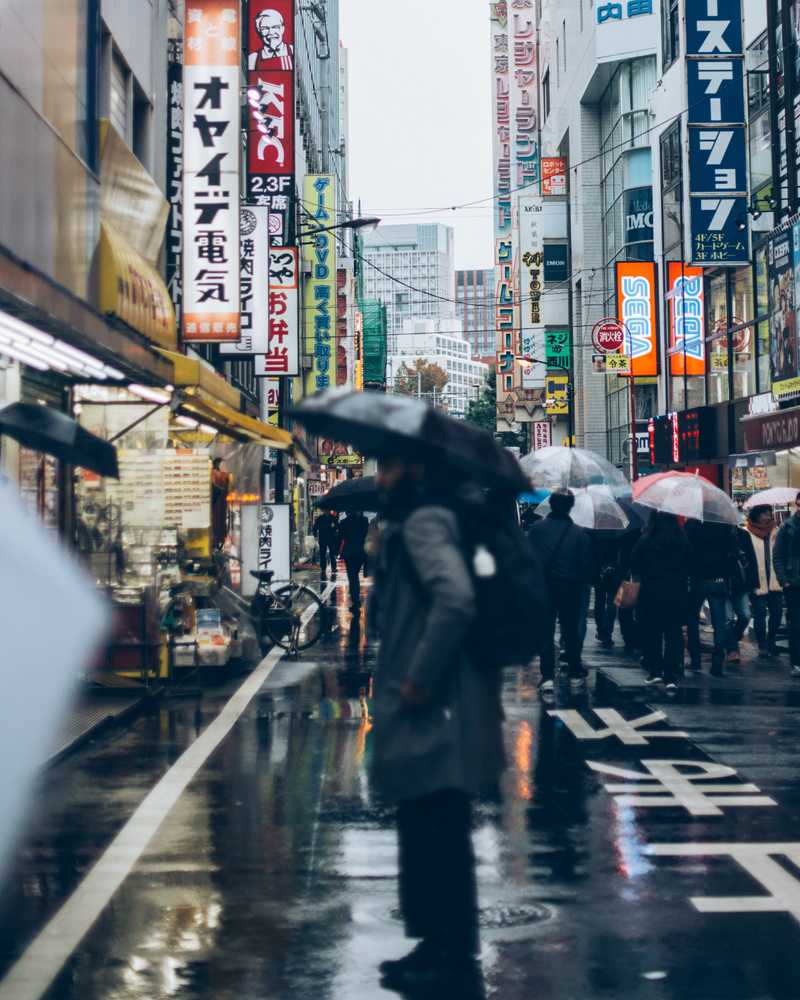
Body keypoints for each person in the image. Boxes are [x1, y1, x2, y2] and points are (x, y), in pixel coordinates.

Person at [370, 456, 501, 998]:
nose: (380, 478)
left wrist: (420, 677)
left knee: (434, 829)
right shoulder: (422, 521)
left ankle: (447, 955)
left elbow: (454, 599)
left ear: (412, 472)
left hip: (432, 705)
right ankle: (437, 947)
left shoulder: (424, 522)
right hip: (439, 703)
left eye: (387, 468)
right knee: (432, 828)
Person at [528, 488, 593, 695]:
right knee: (570, 631)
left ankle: (547, 676)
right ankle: (574, 673)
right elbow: (586, 566)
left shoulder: (537, 529)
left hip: (544, 587)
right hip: (570, 588)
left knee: (545, 632)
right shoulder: (579, 533)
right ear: (570, 507)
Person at [630, 513, 692, 690]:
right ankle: (671, 675)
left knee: (652, 632)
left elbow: (634, 562)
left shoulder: (646, 539)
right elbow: (690, 562)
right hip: (676, 592)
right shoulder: (681, 540)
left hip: (651, 592)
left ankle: (655, 671)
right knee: (673, 633)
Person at [685, 520, 740, 676]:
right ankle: (717, 661)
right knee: (719, 623)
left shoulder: (693, 524)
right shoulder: (726, 526)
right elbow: (733, 554)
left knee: (692, 620)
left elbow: (687, 550)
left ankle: (695, 659)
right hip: (718, 579)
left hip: (697, 579)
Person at [742, 504, 783, 658]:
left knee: (777, 614)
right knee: (759, 615)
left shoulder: (776, 531)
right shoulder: (746, 533)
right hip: (757, 581)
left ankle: (771, 640)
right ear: (756, 515)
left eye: (769, 513)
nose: (768, 516)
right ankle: (762, 645)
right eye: (765, 514)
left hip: (775, 580)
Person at [773, 492, 800, 677]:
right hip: (794, 583)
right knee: (796, 624)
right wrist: (785, 581)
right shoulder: (788, 526)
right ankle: (796, 662)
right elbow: (778, 556)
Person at [338, 509, 369, 611]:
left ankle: (355, 600)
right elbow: (366, 534)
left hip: (350, 553)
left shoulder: (344, 522)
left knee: (352, 577)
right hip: (361, 552)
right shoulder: (364, 521)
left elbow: (341, 537)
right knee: (355, 576)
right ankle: (356, 599)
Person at [313, 508, 339, 580]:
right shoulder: (320, 518)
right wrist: (315, 535)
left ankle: (333, 567)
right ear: (324, 511)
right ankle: (323, 568)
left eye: (328, 510)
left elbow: (337, 526)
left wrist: (333, 530)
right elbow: (315, 527)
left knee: (332, 553)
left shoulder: (333, 517)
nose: (326, 511)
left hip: (331, 538)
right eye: (325, 510)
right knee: (322, 553)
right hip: (323, 538)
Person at [210, 458, 230, 551]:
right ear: (218, 466)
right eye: (224, 465)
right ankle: (215, 543)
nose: (226, 467)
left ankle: (216, 543)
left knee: (219, 524)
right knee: (217, 525)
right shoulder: (216, 475)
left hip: (220, 508)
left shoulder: (219, 475)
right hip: (217, 508)